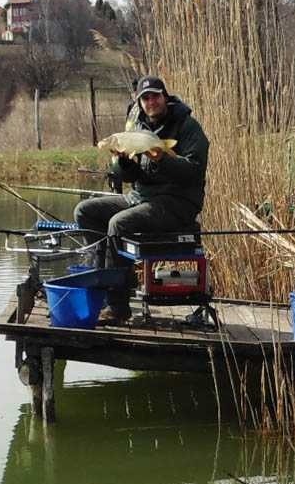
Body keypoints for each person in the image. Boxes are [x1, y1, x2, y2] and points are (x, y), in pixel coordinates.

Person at [74, 76, 210, 325]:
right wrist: (124, 163)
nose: (151, 102)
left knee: (118, 224)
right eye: (145, 98)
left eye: (155, 96)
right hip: (141, 198)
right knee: (85, 212)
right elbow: (132, 177)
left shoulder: (188, 126)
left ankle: (118, 307)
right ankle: (109, 282)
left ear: (165, 98)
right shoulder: (137, 126)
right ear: (140, 102)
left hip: (177, 202)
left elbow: (194, 171)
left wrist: (162, 159)